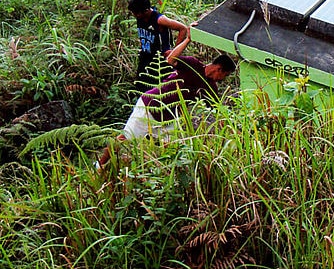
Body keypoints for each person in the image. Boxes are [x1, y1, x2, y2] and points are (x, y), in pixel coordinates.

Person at [96, 32, 236, 168]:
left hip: (170, 117)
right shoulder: (193, 64)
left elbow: (217, 111)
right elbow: (170, 60)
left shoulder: (211, 88)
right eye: (226, 75)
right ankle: (99, 166)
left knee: (173, 148)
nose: (223, 79)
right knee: (124, 139)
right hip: (150, 106)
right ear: (219, 69)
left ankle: (162, 178)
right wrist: (187, 40)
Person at [128, 0, 189, 90]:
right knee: (140, 87)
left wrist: (174, 51)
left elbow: (183, 29)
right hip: (146, 57)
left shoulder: (160, 20)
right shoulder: (141, 17)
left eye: (136, 13)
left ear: (146, 10)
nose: (134, 15)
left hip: (160, 61)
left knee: (158, 90)